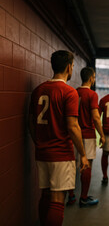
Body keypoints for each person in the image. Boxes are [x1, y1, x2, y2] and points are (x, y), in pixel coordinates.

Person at [29, 50, 90, 225]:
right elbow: (72, 126)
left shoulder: (38, 90)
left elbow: (30, 123)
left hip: (42, 153)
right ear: (69, 67)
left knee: (46, 194)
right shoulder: (69, 92)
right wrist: (83, 154)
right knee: (57, 198)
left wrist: (39, 143)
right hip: (61, 154)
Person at [73, 67, 105, 207]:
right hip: (87, 135)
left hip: (73, 135)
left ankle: (71, 196)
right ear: (91, 78)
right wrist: (102, 135)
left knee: (72, 165)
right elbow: (96, 117)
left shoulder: (73, 92)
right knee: (86, 166)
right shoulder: (92, 95)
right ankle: (84, 197)